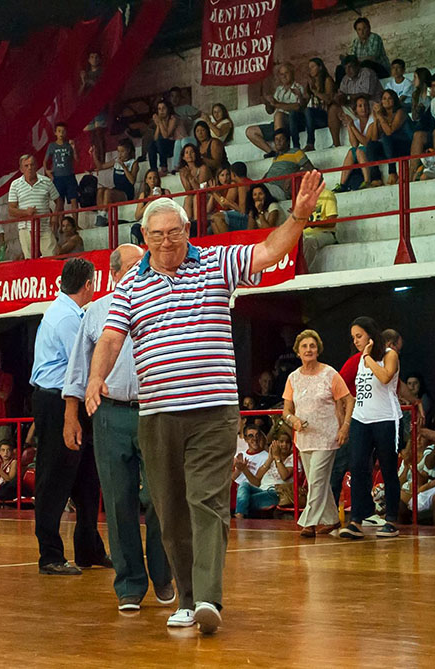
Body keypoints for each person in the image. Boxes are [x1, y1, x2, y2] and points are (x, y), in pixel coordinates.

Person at [84, 172, 325, 634]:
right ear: (145, 239)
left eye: (174, 232)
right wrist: (96, 378)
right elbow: (113, 336)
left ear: (188, 231)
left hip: (214, 411)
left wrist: (297, 215)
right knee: (170, 510)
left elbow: (270, 252)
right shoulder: (129, 285)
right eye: (157, 235)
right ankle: (187, 598)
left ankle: (209, 599)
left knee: (207, 501)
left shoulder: (217, 262)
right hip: (156, 416)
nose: (167, 241)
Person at [63, 244, 174, 611]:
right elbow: (78, 369)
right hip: (110, 412)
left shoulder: (163, 302)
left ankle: (162, 573)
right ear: (112, 275)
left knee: (162, 496)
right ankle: (129, 583)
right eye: (130, 267)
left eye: (143, 265)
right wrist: (71, 415)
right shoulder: (96, 311)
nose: (139, 271)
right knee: (117, 499)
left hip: (156, 410)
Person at [31, 258, 108, 576]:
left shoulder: (65, 313)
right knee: (53, 478)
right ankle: (49, 555)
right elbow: (86, 365)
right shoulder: (67, 319)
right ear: (89, 284)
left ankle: (89, 549)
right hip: (58, 402)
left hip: (66, 399)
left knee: (87, 478)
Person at [282, 329, 352, 536]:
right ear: (298, 352)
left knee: (318, 478)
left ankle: (309, 522)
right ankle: (331, 519)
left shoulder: (329, 373)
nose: (309, 349)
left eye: (312, 346)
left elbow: (349, 400)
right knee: (315, 481)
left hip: (327, 436)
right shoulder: (293, 378)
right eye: (304, 346)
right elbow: (286, 410)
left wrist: (345, 426)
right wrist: (292, 419)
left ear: (318, 349)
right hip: (304, 438)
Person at [338, 316, 402, 540]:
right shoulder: (357, 360)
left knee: (387, 468)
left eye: (359, 336)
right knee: (356, 467)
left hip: (385, 418)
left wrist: (368, 358)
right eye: (353, 337)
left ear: (370, 335)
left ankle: (392, 519)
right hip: (361, 418)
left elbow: (385, 377)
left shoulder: (389, 355)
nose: (355, 341)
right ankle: (357, 518)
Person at [8, 154, 61, 259]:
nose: (30, 168)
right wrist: (26, 213)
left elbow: (59, 201)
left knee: (51, 257)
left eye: (32, 165)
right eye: (26, 166)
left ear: (36, 166)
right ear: (21, 169)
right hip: (26, 227)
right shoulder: (15, 184)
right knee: (30, 259)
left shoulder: (46, 181)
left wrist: (55, 217)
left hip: (44, 226)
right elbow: (11, 210)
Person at [246, 62, 306, 155]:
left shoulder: (299, 88)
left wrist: (277, 104)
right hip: (278, 125)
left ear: (292, 73)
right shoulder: (279, 90)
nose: (284, 76)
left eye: (286, 73)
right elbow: (270, 111)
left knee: (279, 115)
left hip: (293, 123)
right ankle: (272, 152)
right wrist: (267, 102)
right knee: (250, 131)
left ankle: (281, 149)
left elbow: (297, 107)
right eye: (281, 74)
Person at [234, 424, 290, 518]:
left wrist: (277, 457)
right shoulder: (269, 458)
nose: (283, 445)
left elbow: (284, 476)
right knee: (243, 485)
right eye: (280, 442)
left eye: (287, 442)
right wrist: (243, 469)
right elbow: (256, 481)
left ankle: (239, 515)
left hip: (277, 492)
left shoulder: (292, 459)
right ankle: (240, 515)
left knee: (244, 500)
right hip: (261, 490)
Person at [329, 56, 383, 148]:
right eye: (345, 68)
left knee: (363, 104)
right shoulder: (345, 79)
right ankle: (336, 144)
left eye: (350, 67)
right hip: (355, 108)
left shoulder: (367, 73)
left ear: (358, 65)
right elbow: (342, 96)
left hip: (371, 106)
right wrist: (338, 99)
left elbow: (366, 95)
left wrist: (347, 97)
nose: (348, 70)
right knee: (333, 108)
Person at [366, 89, 412, 186]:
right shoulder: (382, 115)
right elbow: (374, 138)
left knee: (386, 138)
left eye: (390, 98)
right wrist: (376, 120)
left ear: (394, 100)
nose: (386, 101)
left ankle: (392, 172)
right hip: (391, 150)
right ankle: (376, 177)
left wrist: (380, 117)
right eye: (384, 99)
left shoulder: (400, 112)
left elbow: (389, 132)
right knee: (371, 145)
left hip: (405, 146)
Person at [332, 95, 378, 192]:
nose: (363, 108)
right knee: (351, 151)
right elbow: (354, 144)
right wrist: (349, 125)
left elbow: (366, 142)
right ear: (355, 110)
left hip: (373, 150)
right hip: (360, 151)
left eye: (365, 105)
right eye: (360, 106)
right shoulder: (355, 122)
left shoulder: (372, 121)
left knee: (359, 151)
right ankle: (342, 184)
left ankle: (367, 181)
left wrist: (352, 126)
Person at [93, 138, 139, 226]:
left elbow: (132, 181)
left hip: (126, 192)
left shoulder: (134, 163)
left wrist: (124, 167)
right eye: (118, 151)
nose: (120, 154)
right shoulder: (116, 160)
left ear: (128, 151)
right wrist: (94, 154)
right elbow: (101, 166)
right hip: (116, 189)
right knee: (100, 191)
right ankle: (100, 214)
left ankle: (104, 215)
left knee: (107, 192)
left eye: (122, 151)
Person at [262, 130, 316, 202]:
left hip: (279, 189)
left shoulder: (295, 152)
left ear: (288, 142)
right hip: (267, 187)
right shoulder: (276, 157)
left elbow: (311, 169)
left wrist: (292, 176)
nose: (278, 142)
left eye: (281, 139)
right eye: (276, 139)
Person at [45, 123, 80, 226]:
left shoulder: (69, 145)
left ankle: (75, 224)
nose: (61, 133)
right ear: (55, 133)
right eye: (59, 131)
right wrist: (47, 171)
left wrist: (74, 148)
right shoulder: (52, 146)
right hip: (58, 177)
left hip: (69, 176)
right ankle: (62, 225)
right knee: (59, 203)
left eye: (63, 131)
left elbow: (77, 159)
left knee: (74, 200)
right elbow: (45, 161)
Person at [303, 58, 336, 152]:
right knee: (296, 114)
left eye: (313, 67)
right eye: (309, 68)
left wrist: (314, 91)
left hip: (325, 116)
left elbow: (329, 99)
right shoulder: (311, 82)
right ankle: (295, 148)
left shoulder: (327, 80)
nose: (310, 70)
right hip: (313, 118)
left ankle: (310, 143)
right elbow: (305, 103)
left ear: (320, 67)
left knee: (309, 111)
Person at [81, 51, 107, 163]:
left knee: (99, 133)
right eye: (92, 57)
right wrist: (83, 82)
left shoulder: (102, 72)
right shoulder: (85, 74)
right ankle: (95, 160)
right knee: (91, 136)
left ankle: (102, 160)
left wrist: (88, 81)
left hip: (99, 105)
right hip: (88, 106)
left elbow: (103, 86)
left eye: (96, 57)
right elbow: (80, 92)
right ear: (88, 60)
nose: (94, 59)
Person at [147, 100, 184, 177]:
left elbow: (166, 135)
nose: (161, 111)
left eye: (164, 108)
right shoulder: (160, 120)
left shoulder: (173, 118)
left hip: (175, 145)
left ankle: (164, 168)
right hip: (164, 146)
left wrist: (160, 122)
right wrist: (157, 125)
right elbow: (155, 138)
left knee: (161, 141)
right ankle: (154, 170)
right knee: (151, 144)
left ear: (168, 109)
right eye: (159, 109)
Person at [177, 144, 213, 223]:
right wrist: (185, 176)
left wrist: (189, 176)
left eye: (192, 152)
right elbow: (188, 190)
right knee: (188, 198)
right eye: (186, 152)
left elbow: (199, 189)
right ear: (183, 157)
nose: (189, 154)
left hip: (207, 195)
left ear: (196, 154)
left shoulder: (203, 168)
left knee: (196, 197)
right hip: (194, 196)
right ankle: (188, 222)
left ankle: (198, 223)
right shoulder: (183, 171)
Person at [208, 166, 247, 234]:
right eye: (222, 175)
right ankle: (222, 243)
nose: (225, 178)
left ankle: (228, 242)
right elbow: (208, 209)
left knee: (215, 218)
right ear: (218, 178)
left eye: (227, 175)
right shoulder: (217, 188)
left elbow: (225, 205)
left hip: (232, 214)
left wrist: (214, 193)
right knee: (212, 220)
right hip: (218, 217)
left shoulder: (233, 185)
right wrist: (212, 193)